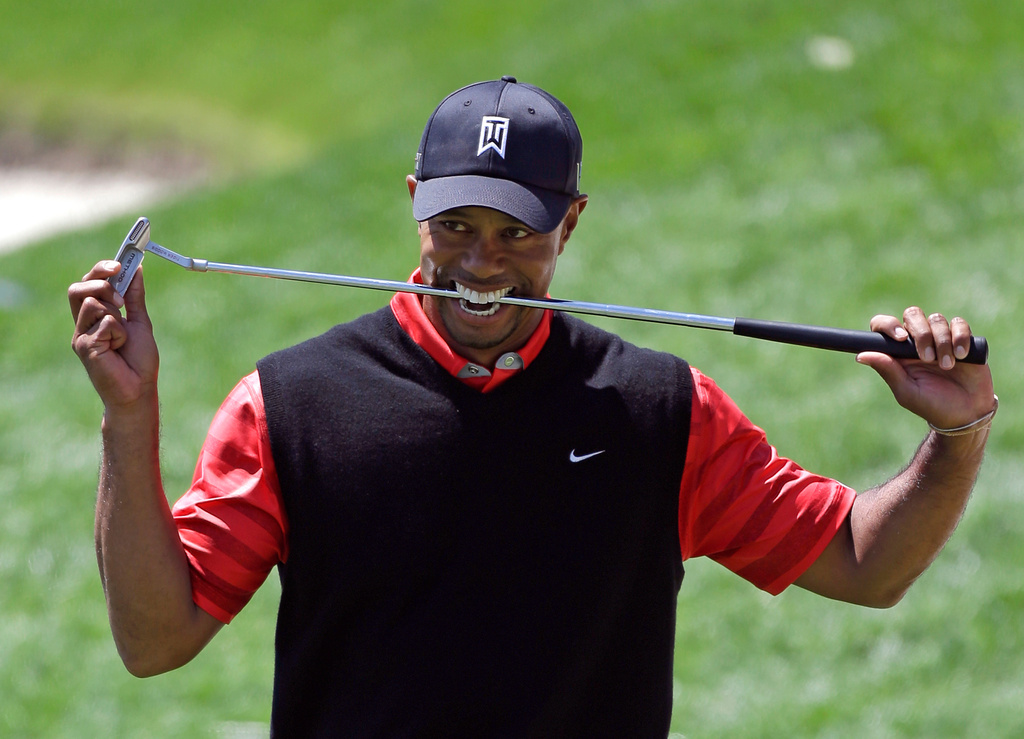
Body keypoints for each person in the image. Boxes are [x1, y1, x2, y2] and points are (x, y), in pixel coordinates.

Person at [69, 77, 996, 737]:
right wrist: (130, 414)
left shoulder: (658, 412)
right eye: (456, 227)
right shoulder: (290, 405)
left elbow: (863, 566)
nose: (480, 263)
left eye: (518, 234)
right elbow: (155, 638)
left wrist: (956, 436)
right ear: (414, 206)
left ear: (573, 222)